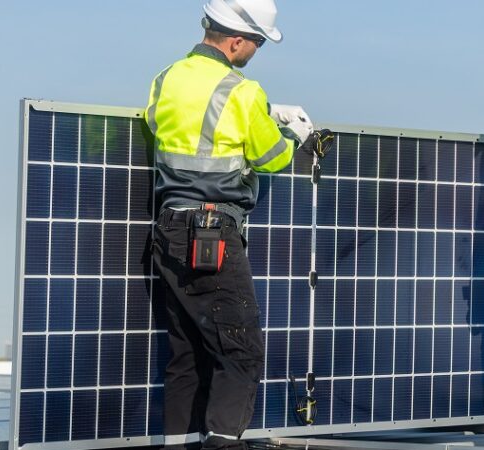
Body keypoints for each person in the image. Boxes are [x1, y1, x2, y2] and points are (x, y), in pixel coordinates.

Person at [144, 0, 313, 448]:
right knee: (240, 351)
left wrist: (265, 111)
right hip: (212, 231)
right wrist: (291, 134)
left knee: (186, 353)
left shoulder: (164, 79)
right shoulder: (241, 90)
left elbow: (175, 128)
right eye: (257, 42)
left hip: (169, 226)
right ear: (237, 40)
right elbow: (272, 158)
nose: (256, 50)